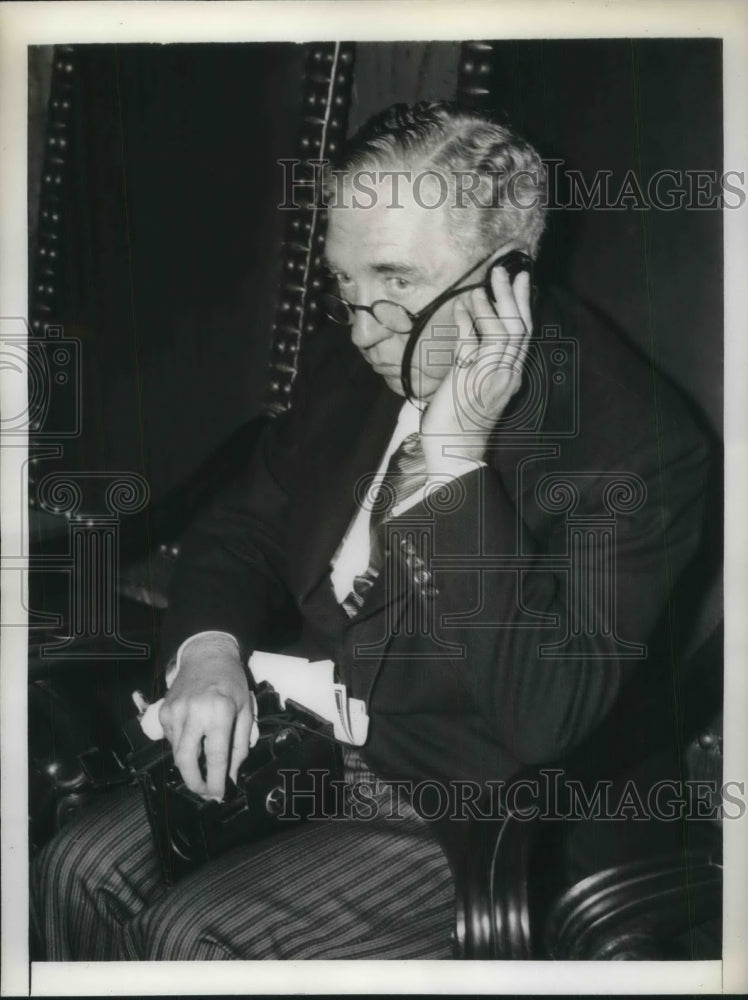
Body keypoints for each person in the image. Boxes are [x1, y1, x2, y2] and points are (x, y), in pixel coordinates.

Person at [31, 101, 710, 960]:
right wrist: (208, 650)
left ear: (507, 275)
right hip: (308, 744)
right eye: (345, 287)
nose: (361, 332)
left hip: (476, 807)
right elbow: (242, 524)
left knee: (191, 940)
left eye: (395, 283)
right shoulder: (353, 362)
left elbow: (546, 715)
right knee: (71, 871)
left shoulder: (636, 447)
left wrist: (454, 463)